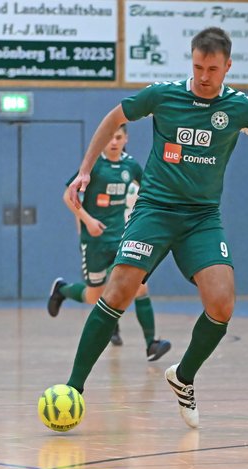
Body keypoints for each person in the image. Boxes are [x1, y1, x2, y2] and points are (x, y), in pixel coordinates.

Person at [61, 27, 248, 428]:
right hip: (155, 210)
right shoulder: (164, 95)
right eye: (198, 67)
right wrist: (85, 170)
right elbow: (115, 117)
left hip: (201, 218)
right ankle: (73, 388)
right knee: (119, 289)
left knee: (222, 303)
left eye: (212, 69)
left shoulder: (239, 108)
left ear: (227, 66)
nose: (203, 76)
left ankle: (183, 376)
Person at [47, 124, 170, 357]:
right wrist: (88, 221)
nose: (114, 142)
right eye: (110, 137)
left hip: (120, 238)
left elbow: (149, 192)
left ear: (126, 139)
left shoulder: (130, 166)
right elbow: (68, 196)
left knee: (140, 286)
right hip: (94, 240)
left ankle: (152, 344)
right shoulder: (93, 165)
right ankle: (62, 290)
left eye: (118, 137)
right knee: (95, 295)